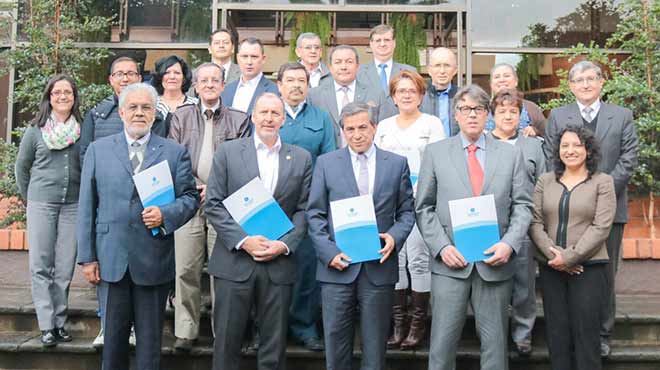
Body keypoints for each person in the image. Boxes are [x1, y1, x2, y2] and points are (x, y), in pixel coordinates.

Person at [77, 83, 199, 370]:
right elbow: (86, 205)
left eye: (146, 108)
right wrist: (87, 257)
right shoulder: (98, 150)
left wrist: (166, 214)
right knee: (113, 346)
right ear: (121, 112)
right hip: (110, 259)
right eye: (133, 107)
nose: (139, 113)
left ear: (154, 114)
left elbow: (190, 198)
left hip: (153, 260)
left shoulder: (173, 152)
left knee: (149, 347)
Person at [415, 84, 532, 370]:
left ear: (487, 115)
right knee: (441, 346)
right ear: (455, 115)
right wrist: (442, 247)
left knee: (495, 348)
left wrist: (509, 243)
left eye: (478, 109)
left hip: (494, 263)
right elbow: (423, 207)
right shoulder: (435, 152)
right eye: (465, 109)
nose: (471, 115)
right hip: (450, 265)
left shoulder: (509, 154)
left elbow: (523, 206)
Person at [205, 92, 313, 370]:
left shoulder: (301, 158)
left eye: (275, 113)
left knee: (273, 348)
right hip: (234, 262)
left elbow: (304, 210)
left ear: (283, 119)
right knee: (227, 342)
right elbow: (214, 204)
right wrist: (244, 241)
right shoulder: (228, 152)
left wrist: (284, 245)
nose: (268, 118)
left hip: (278, 263)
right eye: (263, 112)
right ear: (253, 116)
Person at [307, 102, 415, 370]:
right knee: (336, 344)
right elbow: (315, 214)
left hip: (378, 266)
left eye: (363, 128)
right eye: (350, 129)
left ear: (375, 128)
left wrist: (394, 237)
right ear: (343, 131)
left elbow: (407, 213)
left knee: (376, 347)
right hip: (337, 269)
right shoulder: (326, 163)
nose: (357, 134)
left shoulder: (397, 164)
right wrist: (329, 253)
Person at [542, 60, 638, 357]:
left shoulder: (621, 116)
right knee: (568, 271)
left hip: (610, 211)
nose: (585, 84)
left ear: (601, 83)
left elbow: (629, 158)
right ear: (570, 86)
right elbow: (550, 158)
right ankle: (572, 331)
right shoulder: (558, 116)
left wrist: (602, 195)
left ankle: (602, 333)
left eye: (591, 78)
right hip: (566, 211)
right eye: (579, 80)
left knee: (604, 274)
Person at [168, 62, 250, 351]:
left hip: (224, 205)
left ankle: (224, 333)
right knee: (185, 269)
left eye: (216, 80)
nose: (210, 84)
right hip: (188, 202)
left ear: (223, 85)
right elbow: (173, 158)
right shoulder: (180, 117)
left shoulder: (239, 120)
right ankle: (185, 331)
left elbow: (241, 164)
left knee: (223, 272)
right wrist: (194, 188)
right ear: (196, 86)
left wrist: (212, 189)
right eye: (204, 80)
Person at [78, 55, 158, 348]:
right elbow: (85, 157)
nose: (125, 78)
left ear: (140, 77)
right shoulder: (97, 114)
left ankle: (135, 328)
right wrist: (86, 255)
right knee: (110, 279)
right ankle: (107, 325)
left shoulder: (155, 116)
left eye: (131, 73)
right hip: (109, 210)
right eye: (119, 74)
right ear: (110, 80)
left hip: (147, 216)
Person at [530, 125, 616, 370]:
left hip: (589, 269)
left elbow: (601, 226)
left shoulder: (603, 182)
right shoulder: (545, 181)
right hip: (551, 268)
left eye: (577, 145)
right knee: (557, 335)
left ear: (588, 150)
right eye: (565, 145)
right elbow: (535, 222)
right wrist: (553, 256)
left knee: (586, 335)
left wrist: (570, 257)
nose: (570, 150)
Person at [374, 70, 445, 350]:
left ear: (421, 95)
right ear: (393, 97)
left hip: (421, 201)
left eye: (411, 91)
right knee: (395, 260)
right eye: (400, 91)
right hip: (390, 205)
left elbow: (439, 163)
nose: (406, 95)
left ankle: (417, 325)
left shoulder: (432, 124)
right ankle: (398, 325)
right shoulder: (383, 126)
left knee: (417, 260)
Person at [15, 74, 82, 347]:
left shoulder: (82, 130)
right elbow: (22, 168)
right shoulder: (35, 130)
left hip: (73, 205)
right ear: (49, 97)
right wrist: (30, 198)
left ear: (74, 97)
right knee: (41, 265)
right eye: (57, 92)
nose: (63, 96)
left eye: (68, 92)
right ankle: (46, 326)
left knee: (65, 266)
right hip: (41, 203)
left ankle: (60, 321)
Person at [277, 62, 336, 351]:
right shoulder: (269, 115)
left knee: (307, 268)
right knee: (272, 270)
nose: (296, 85)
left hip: (309, 205)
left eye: (301, 80)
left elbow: (329, 161)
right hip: (274, 207)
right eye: (290, 80)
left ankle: (304, 326)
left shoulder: (321, 118)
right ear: (279, 85)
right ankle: (268, 328)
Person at [490, 88, 546, 356]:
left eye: (514, 111)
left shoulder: (534, 145)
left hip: (524, 225)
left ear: (521, 115)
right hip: (491, 224)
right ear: (493, 115)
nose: (508, 116)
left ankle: (523, 333)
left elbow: (544, 183)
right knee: (493, 285)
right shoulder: (484, 143)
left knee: (524, 283)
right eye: (502, 111)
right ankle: (493, 334)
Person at [308, 45, 389, 147]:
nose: (343, 67)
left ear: (357, 66)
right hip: (327, 157)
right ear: (330, 67)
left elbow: (384, 131)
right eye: (338, 62)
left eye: (349, 62)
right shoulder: (314, 95)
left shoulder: (375, 93)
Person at [221, 37, 279, 116]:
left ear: (263, 59)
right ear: (238, 58)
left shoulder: (274, 90)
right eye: (244, 56)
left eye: (254, 57)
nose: (249, 62)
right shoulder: (227, 90)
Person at [484, 63, 546, 136]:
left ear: (516, 81)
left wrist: (535, 131)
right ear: (491, 84)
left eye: (506, 76)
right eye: (497, 77)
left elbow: (547, 133)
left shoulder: (531, 108)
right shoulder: (481, 109)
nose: (502, 80)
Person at [357, 24, 416, 95]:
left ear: (394, 43)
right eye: (378, 40)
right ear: (371, 44)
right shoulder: (358, 72)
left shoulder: (410, 71)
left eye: (387, 40)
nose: (382, 44)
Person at [420, 47, 460, 137]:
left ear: (455, 70)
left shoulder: (464, 97)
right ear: (429, 70)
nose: (442, 71)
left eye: (447, 65)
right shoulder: (418, 97)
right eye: (437, 65)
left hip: (456, 149)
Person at [151, 55, 198, 120]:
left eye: (177, 73)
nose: (172, 77)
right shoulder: (151, 104)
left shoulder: (196, 104)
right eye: (166, 73)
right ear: (160, 77)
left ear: (184, 78)